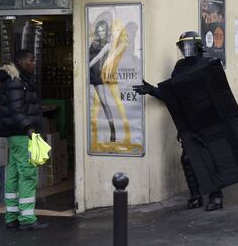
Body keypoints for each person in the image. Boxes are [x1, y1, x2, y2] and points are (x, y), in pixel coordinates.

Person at [133, 31, 223, 211]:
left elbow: (219, 94)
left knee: (209, 158)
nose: (186, 50)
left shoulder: (209, 64)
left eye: (189, 46)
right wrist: (151, 89)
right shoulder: (179, 67)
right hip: (188, 120)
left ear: (198, 46)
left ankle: (216, 196)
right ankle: (195, 196)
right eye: (183, 47)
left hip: (208, 119)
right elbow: (173, 95)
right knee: (188, 159)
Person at [0, 49, 48, 230]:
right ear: (22, 62)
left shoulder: (16, 79)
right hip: (22, 134)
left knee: (14, 174)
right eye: (32, 60)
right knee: (27, 174)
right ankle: (27, 218)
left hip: (15, 135)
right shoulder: (16, 82)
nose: (34, 63)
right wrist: (29, 128)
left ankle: (12, 216)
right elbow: (16, 110)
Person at [89, 19, 131, 147]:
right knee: (91, 107)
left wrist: (88, 65)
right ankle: (94, 135)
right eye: (99, 30)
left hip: (96, 75)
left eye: (103, 30)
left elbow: (99, 58)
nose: (101, 33)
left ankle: (112, 129)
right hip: (87, 74)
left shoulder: (108, 44)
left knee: (104, 103)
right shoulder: (93, 42)